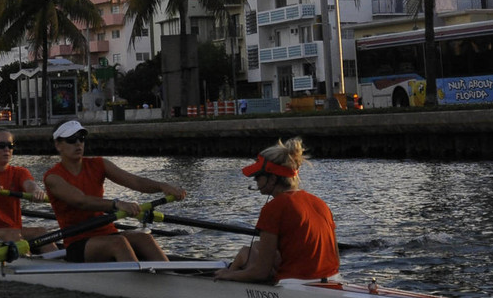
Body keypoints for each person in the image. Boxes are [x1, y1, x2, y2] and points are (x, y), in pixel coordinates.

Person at [43, 119, 185, 263]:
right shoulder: (53, 177)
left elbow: (135, 181)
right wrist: (117, 204)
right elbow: (81, 201)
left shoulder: (99, 164)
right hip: (77, 242)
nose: (78, 143)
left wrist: (162, 186)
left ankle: (171, 277)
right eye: (71, 139)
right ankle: (133, 282)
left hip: (107, 233)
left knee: (144, 238)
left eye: (81, 138)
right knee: (118, 243)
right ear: (58, 145)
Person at [215, 137, 339, 283]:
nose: (255, 181)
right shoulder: (319, 203)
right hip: (334, 279)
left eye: (257, 177)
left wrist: (228, 275)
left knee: (245, 253)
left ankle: (223, 280)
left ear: (272, 179)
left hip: (295, 285)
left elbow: (260, 273)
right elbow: (336, 257)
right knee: (253, 248)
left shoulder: (274, 208)